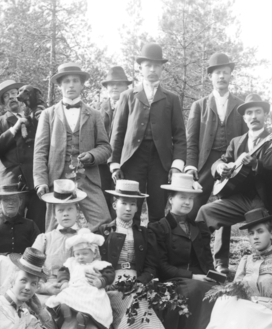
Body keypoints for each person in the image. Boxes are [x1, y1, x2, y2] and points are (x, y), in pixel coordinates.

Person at [95, 179, 188, 329]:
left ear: (138, 208)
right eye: (124, 203)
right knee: (132, 305)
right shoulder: (103, 232)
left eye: (133, 204)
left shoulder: (144, 234)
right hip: (111, 287)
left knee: (139, 302)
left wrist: (140, 283)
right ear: (114, 204)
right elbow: (96, 264)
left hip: (137, 285)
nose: (128, 209)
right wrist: (106, 282)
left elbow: (151, 266)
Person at [196, 93, 272, 268]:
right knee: (204, 213)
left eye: (258, 112)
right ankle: (204, 266)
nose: (253, 116)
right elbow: (220, 161)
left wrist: (256, 165)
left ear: (265, 115)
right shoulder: (236, 142)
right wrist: (220, 167)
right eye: (249, 113)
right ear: (244, 117)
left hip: (267, 202)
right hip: (239, 200)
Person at [109, 43, 188, 223]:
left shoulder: (172, 99)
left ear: (162, 69)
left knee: (158, 207)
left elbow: (180, 136)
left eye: (157, 66)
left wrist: (176, 166)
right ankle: (131, 240)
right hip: (133, 159)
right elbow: (118, 133)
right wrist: (114, 164)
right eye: (148, 65)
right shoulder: (128, 96)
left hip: (160, 161)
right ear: (140, 68)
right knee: (131, 205)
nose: (152, 69)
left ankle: (156, 240)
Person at [34, 62, 113, 231]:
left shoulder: (94, 114)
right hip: (57, 180)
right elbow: (40, 152)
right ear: (60, 85)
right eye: (66, 81)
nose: (71, 85)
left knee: (103, 223)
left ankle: (95, 248)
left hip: (88, 179)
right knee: (54, 229)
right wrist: (40, 182)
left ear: (82, 85)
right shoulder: (48, 115)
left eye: (75, 81)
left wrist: (92, 155)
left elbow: (106, 148)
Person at [146, 172, 217, 329]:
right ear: (171, 199)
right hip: (173, 280)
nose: (187, 202)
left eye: (191, 199)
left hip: (199, 279)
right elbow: (162, 267)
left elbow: (207, 261)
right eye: (182, 198)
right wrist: (192, 276)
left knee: (220, 291)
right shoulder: (159, 228)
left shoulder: (198, 227)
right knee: (196, 289)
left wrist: (215, 277)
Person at [185, 52, 246, 264]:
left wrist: (239, 164)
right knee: (194, 208)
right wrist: (191, 166)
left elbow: (245, 140)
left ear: (230, 76)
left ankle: (221, 262)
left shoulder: (240, 105)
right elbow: (191, 140)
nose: (221, 76)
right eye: (217, 72)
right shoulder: (199, 105)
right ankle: (192, 257)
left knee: (225, 209)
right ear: (210, 76)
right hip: (204, 163)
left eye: (225, 72)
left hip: (231, 164)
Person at [0, 78, 47, 225]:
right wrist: (14, 129)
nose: (11, 97)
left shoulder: (37, 117)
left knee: (39, 228)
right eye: (6, 96)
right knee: (10, 229)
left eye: (14, 93)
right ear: (4, 103)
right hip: (11, 185)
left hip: (37, 183)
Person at [0, 179, 42, 297]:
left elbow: (38, 250)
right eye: (6, 200)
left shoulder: (30, 225)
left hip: (24, 270)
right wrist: (7, 257)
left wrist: (22, 261)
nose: (11, 203)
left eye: (14, 199)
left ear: (20, 202)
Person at [45, 228, 114, 329]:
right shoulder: (71, 263)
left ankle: (84, 317)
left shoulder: (99, 264)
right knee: (63, 295)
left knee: (94, 301)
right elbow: (63, 271)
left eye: (85, 254)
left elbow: (110, 274)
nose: (80, 257)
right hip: (74, 288)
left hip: (91, 290)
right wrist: (64, 281)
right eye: (77, 254)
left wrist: (101, 281)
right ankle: (62, 310)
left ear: (94, 254)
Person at [31, 179, 91, 296]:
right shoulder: (44, 239)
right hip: (48, 291)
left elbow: (95, 269)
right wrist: (44, 288)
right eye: (60, 210)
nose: (65, 214)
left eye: (70, 209)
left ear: (77, 211)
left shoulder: (87, 238)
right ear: (54, 214)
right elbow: (29, 270)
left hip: (79, 291)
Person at [95, 66, 132, 220]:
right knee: (103, 197)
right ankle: (105, 229)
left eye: (119, 84)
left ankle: (122, 228)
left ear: (126, 87)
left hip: (125, 161)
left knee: (123, 197)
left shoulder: (133, 107)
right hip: (103, 163)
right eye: (111, 84)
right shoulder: (99, 109)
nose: (115, 87)